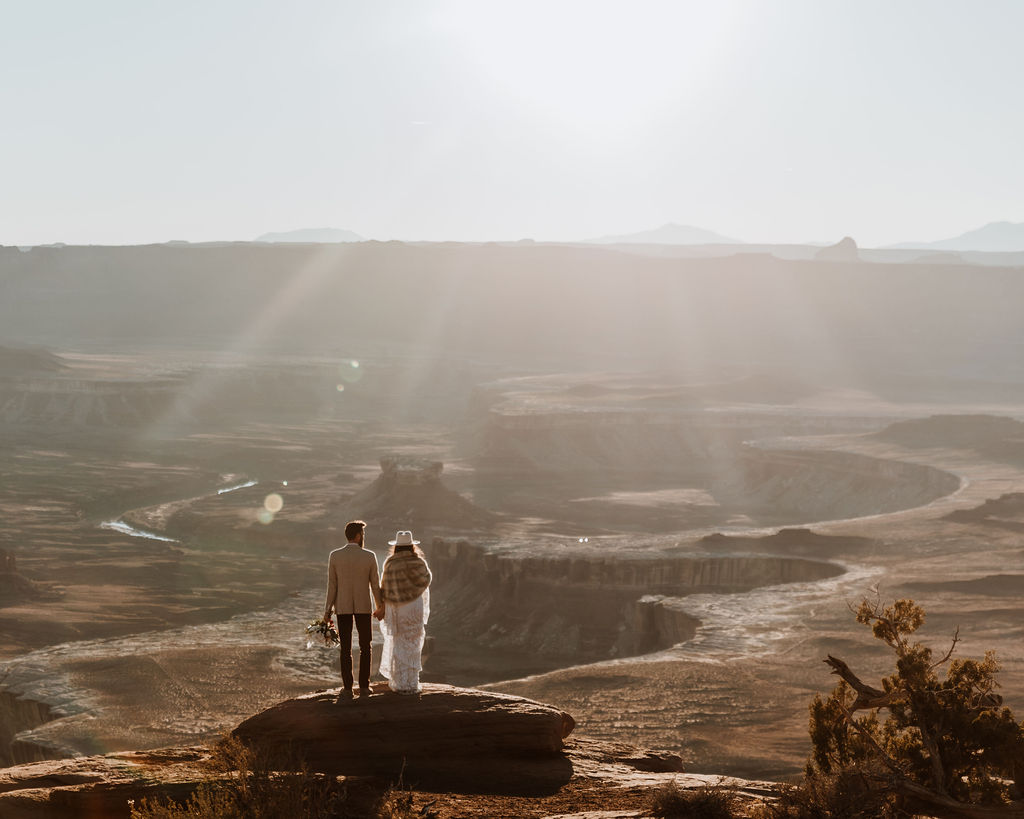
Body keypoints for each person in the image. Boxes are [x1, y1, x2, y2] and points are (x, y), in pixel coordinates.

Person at [324, 520, 384, 698]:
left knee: (346, 649)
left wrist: (327, 611)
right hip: (364, 607)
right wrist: (380, 606)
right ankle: (364, 687)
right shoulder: (370, 556)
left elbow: (332, 586)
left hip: (342, 607)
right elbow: (375, 585)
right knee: (366, 646)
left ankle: (348, 689)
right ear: (358, 536)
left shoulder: (335, 556)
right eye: (362, 534)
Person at [378, 530, 432, 694]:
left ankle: (401, 683)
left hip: (398, 608)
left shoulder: (390, 563)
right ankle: (412, 682)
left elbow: (384, 588)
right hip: (415, 606)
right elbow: (427, 579)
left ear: (396, 547)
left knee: (400, 641)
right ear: (412, 546)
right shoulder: (419, 562)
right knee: (414, 642)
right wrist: (413, 590)